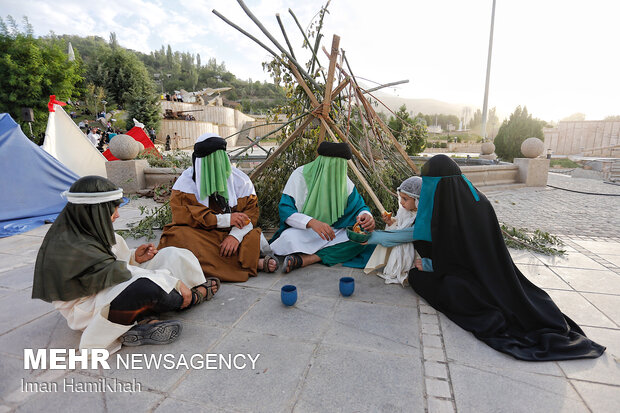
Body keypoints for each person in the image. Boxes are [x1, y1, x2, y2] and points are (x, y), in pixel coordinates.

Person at [408, 155, 605, 361]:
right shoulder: (477, 200)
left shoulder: (449, 211)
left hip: (468, 277)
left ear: (437, 183)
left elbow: (455, 259)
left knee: (419, 278)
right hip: (495, 276)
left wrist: (430, 265)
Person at [32, 176, 219, 353]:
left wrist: (134, 257)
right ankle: (189, 299)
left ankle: (139, 322)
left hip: (109, 285)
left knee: (173, 254)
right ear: (94, 211)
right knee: (146, 287)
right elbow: (117, 273)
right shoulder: (68, 245)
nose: (117, 215)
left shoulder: (88, 227)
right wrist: (175, 283)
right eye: (112, 209)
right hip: (88, 307)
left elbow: (113, 265)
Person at [158, 133, 277, 282]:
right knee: (175, 237)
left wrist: (235, 236)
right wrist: (226, 219)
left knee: (250, 236)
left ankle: (246, 261)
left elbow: (251, 214)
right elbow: (182, 217)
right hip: (202, 233)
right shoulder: (185, 183)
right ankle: (252, 263)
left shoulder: (241, 180)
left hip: (234, 232)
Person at [270, 142, 376, 273]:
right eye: (334, 165)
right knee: (288, 239)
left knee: (364, 239)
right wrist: (312, 223)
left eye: (341, 166)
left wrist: (366, 216)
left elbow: (360, 206)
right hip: (306, 232)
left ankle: (307, 259)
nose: (338, 171)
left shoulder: (343, 181)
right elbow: (286, 210)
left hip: (334, 232)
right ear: (322, 162)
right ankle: (315, 255)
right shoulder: (300, 175)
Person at [363, 176, 423, 286]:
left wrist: (374, 237)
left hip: (415, 250)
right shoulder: (404, 212)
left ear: (418, 199)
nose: (402, 202)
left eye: (405, 199)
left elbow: (405, 235)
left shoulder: (422, 217)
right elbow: (398, 227)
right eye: (401, 198)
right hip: (400, 240)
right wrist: (391, 223)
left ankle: (403, 267)